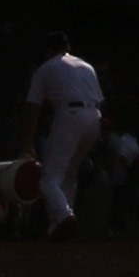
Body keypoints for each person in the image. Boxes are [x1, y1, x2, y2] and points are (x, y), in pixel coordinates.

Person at [21, 31, 105, 240]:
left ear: (48, 50)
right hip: (94, 117)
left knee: (48, 179)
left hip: (70, 114)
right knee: (69, 176)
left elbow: (33, 109)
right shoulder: (86, 66)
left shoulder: (45, 68)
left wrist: (26, 144)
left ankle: (65, 218)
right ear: (67, 48)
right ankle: (57, 228)